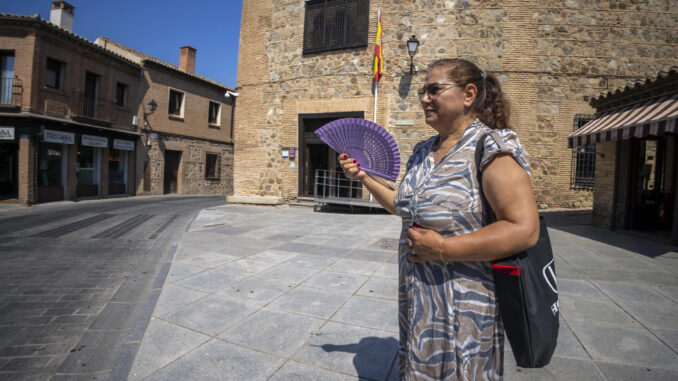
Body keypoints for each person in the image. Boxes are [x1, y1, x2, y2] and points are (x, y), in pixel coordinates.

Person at [338, 58, 539, 380]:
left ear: (469, 94)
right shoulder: (422, 151)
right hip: (418, 298)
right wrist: (364, 178)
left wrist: (445, 249)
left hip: (465, 303)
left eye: (434, 89)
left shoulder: (492, 148)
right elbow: (403, 206)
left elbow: (524, 230)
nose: (423, 98)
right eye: (422, 90)